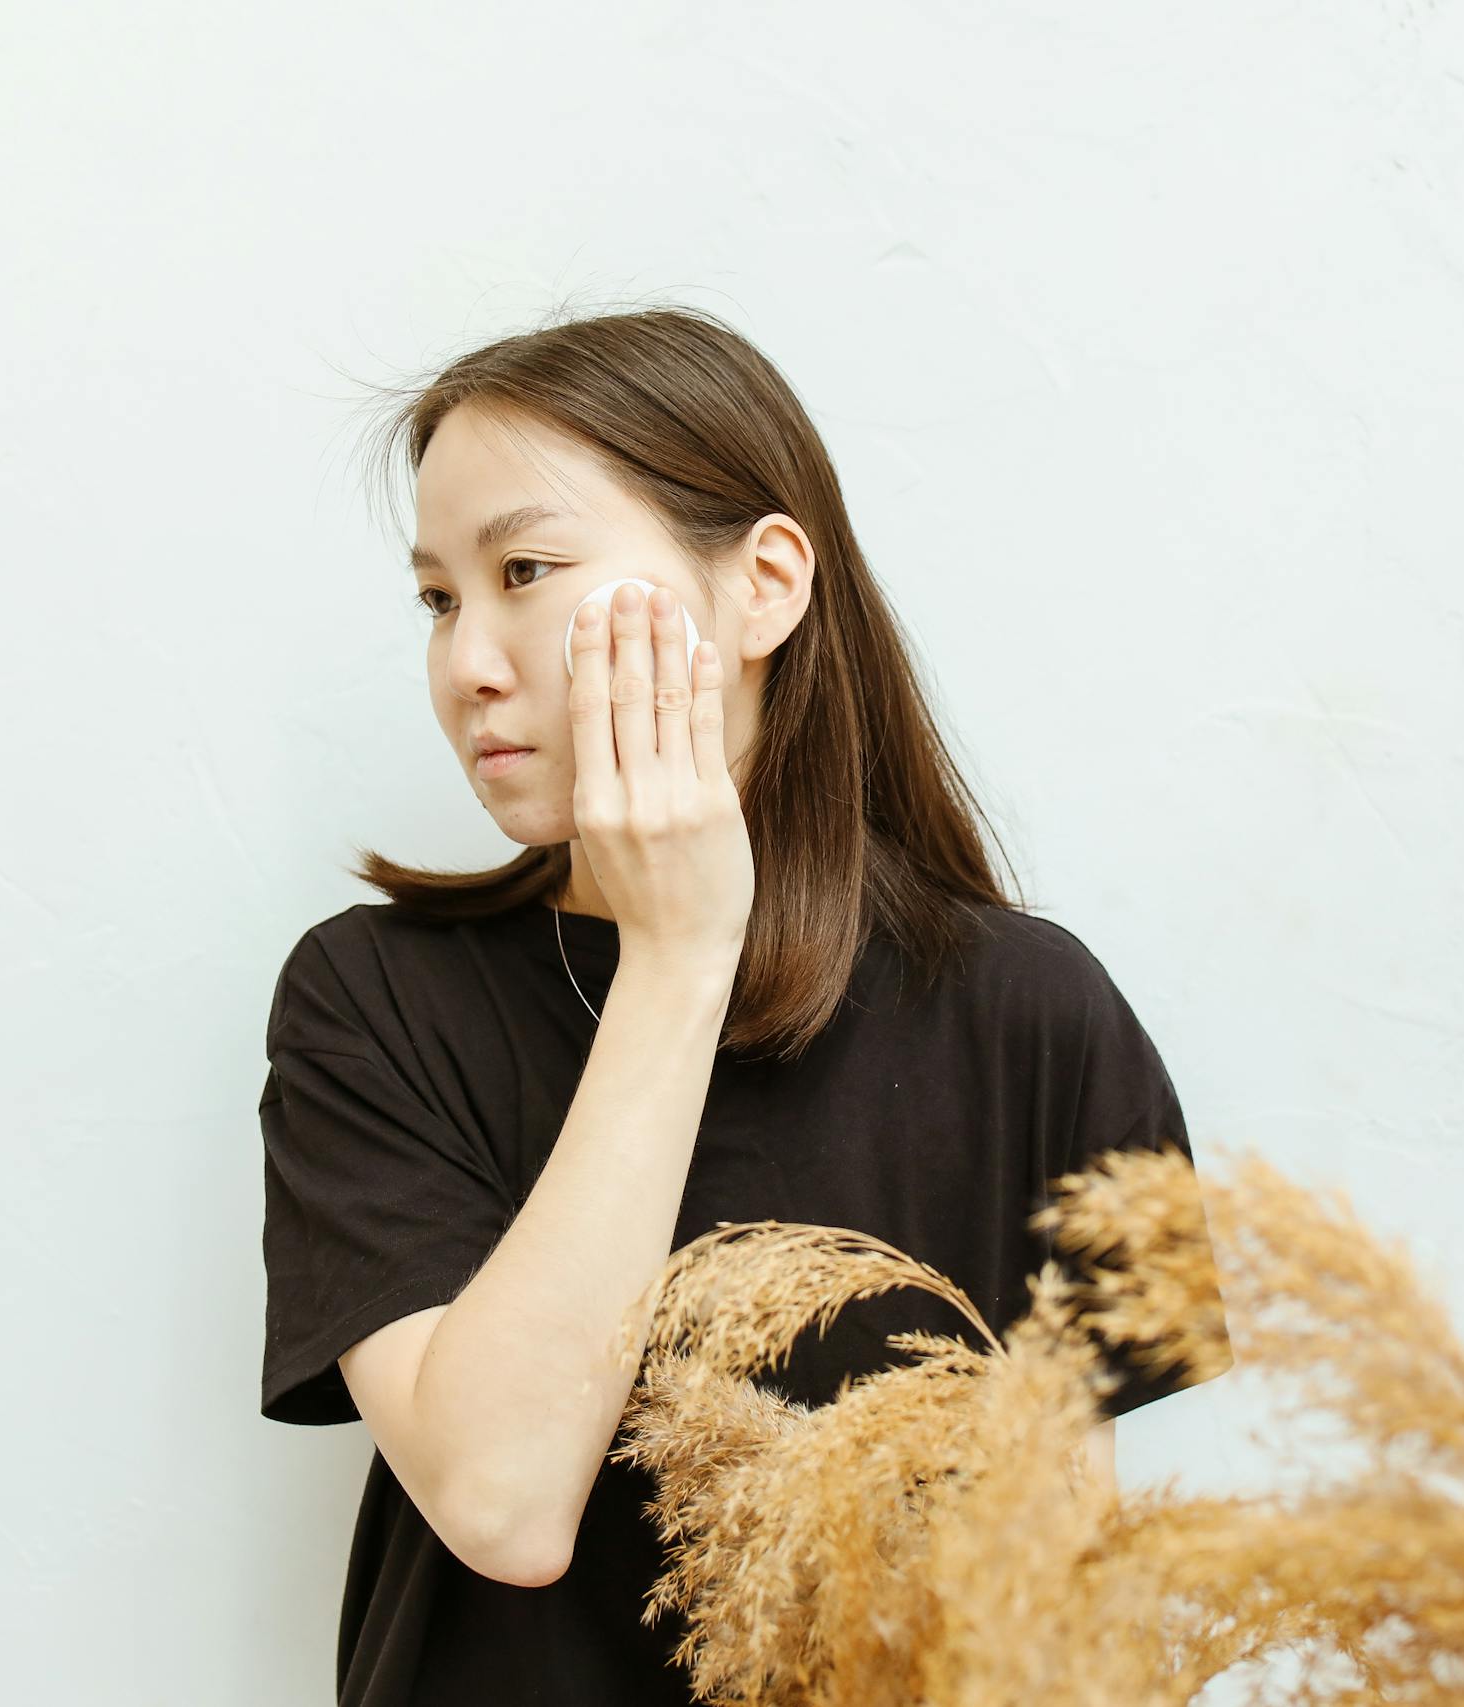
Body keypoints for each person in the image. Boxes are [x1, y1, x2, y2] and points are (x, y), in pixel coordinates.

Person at [258, 305, 1221, 1705]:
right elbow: (504, 1504)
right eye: (438, 598)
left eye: (524, 571)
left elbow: (1056, 1617)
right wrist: (674, 954)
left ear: (763, 587)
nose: (468, 662)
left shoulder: (1029, 1016)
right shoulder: (371, 1001)